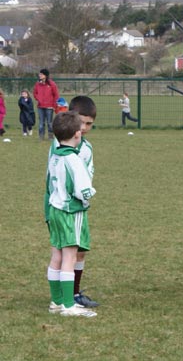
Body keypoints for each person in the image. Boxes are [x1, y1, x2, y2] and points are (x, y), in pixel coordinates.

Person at [46, 96, 99, 308]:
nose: (84, 128)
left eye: (89, 124)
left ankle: (69, 295)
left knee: (79, 250)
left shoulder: (86, 148)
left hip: (74, 207)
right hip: (65, 206)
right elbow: (51, 177)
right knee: (65, 251)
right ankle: (65, 299)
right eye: (82, 122)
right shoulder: (60, 147)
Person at [33, 68, 59, 140]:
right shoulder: (38, 84)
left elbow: (56, 95)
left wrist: (54, 105)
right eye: (39, 74)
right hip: (40, 106)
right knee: (41, 123)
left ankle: (50, 136)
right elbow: (35, 93)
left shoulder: (52, 84)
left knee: (49, 123)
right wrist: (38, 99)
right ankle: (41, 136)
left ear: (45, 75)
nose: (39, 75)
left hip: (49, 107)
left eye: (41, 74)